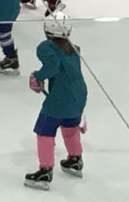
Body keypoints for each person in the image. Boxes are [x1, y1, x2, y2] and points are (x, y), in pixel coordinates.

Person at [25, 12, 87, 190]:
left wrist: (38, 76)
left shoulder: (46, 47)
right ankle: (75, 159)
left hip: (60, 98)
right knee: (70, 128)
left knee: (45, 131)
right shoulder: (74, 48)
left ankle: (45, 170)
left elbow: (52, 67)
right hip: (79, 94)